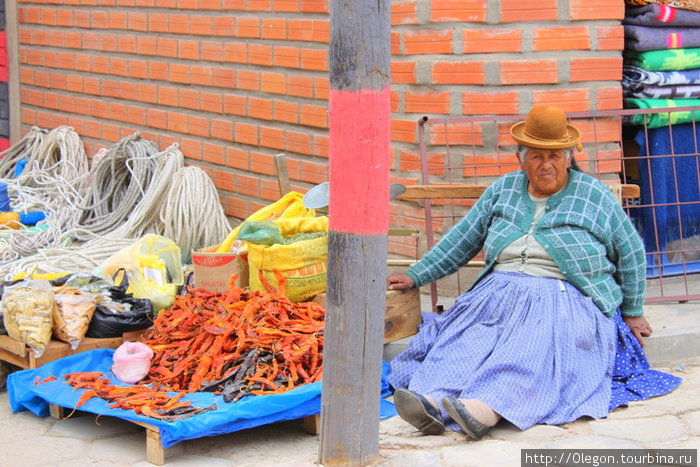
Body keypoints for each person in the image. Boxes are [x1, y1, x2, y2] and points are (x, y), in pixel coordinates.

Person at [386, 105, 682, 439]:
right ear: (520, 158)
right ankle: (432, 400)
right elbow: (462, 239)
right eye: (536, 156)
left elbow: (630, 253)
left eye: (555, 156)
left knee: (528, 348)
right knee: (465, 339)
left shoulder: (594, 196)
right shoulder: (503, 190)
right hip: (496, 292)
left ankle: (484, 409)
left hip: (562, 296)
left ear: (569, 157)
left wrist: (633, 311)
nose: (546, 165)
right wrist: (417, 274)